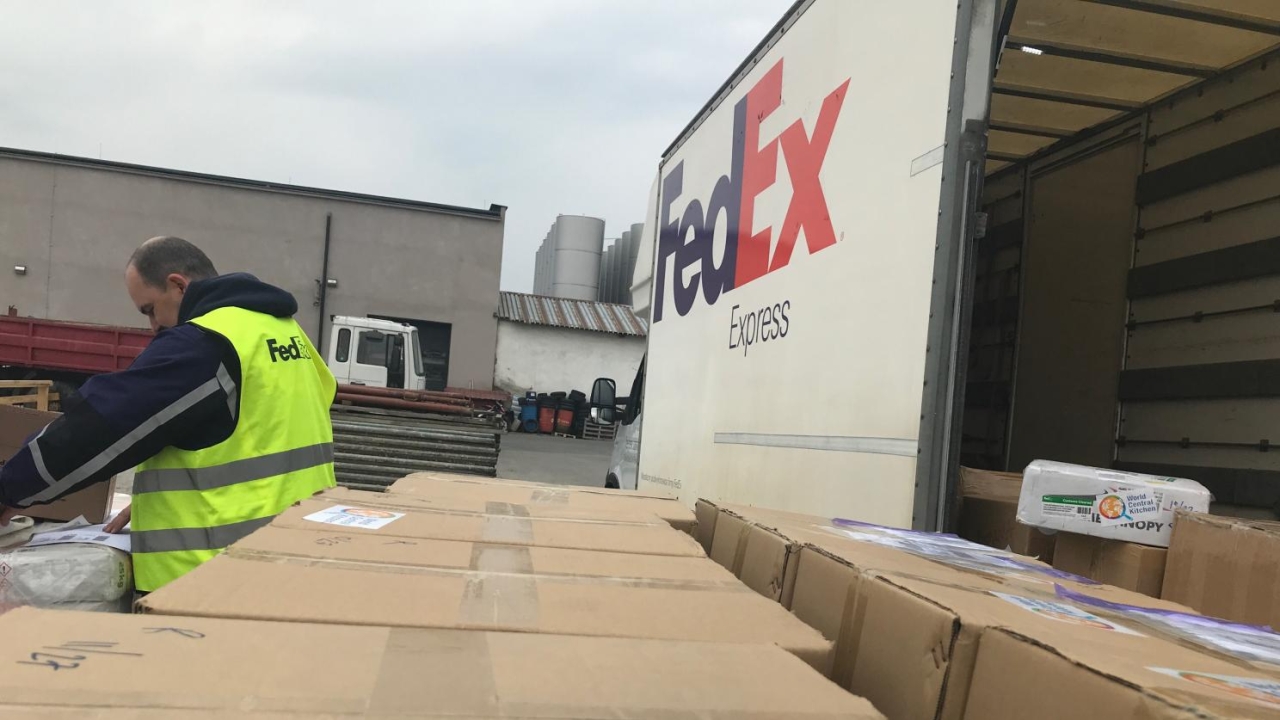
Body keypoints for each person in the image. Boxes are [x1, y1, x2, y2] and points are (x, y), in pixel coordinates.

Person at [0, 236, 336, 592]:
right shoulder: (285, 330)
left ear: (178, 285)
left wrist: (8, 489)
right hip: (294, 560)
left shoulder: (204, 343)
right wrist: (159, 503)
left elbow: (99, 428)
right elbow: (272, 430)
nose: (152, 326)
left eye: (149, 309)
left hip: (208, 581)